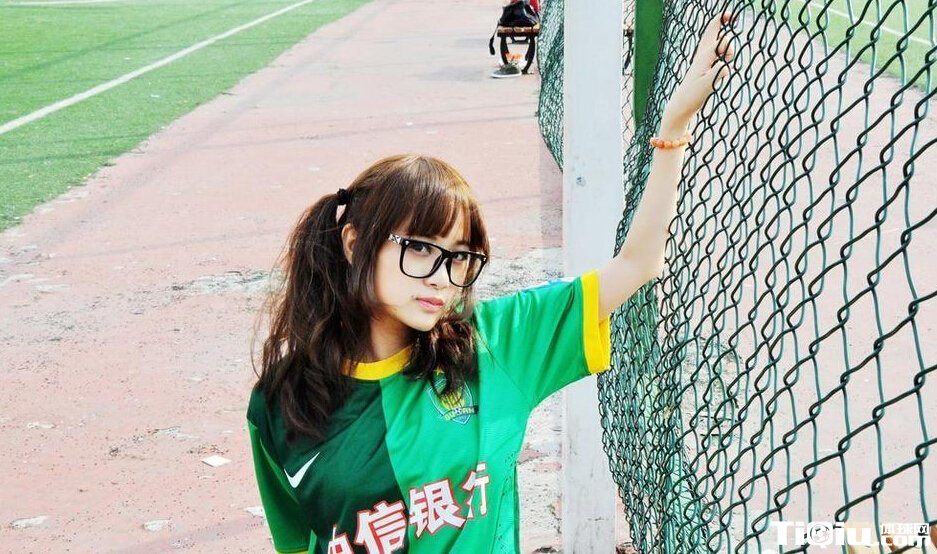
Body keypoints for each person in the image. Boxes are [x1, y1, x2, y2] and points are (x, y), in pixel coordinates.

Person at [247, 13, 734, 554]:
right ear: (355, 243)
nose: (443, 278)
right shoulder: (280, 401)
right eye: (419, 248)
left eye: (460, 258)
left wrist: (673, 130)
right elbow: (297, 541)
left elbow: (637, 263)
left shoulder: (495, 346)